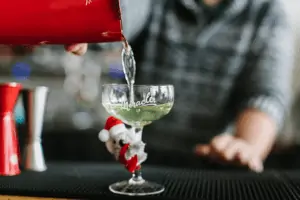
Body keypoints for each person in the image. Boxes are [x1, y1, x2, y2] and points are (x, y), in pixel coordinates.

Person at [62, 0, 294, 172]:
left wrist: (246, 146)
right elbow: (122, 12)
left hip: (212, 169)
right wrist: (89, 19)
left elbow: (266, 96)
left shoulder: (268, 13)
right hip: (135, 160)